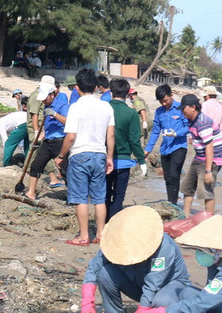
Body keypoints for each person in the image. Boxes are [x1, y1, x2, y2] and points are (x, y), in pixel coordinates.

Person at [79, 205, 191, 313]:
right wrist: (87, 303)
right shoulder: (116, 241)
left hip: (168, 288)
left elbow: (153, 283)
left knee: (161, 301)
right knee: (104, 272)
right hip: (138, 284)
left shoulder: (164, 247)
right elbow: (93, 268)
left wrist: (142, 310)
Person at [54, 68, 114, 245]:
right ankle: (101, 234)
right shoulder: (106, 106)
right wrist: (109, 157)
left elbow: (70, 136)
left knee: (80, 197)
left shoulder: (76, 107)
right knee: (99, 197)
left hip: (80, 153)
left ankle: (84, 236)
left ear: (77, 88)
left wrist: (61, 156)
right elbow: (110, 135)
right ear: (96, 86)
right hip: (100, 153)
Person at [105, 78, 147, 220]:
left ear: (111, 92)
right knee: (118, 195)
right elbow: (134, 141)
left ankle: (102, 224)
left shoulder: (104, 109)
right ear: (127, 94)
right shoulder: (131, 114)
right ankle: (112, 224)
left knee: (104, 194)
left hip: (103, 160)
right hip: (123, 161)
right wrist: (141, 160)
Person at [179, 94, 222, 218]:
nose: (182, 111)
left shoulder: (202, 122)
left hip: (212, 159)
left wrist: (208, 171)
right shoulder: (191, 120)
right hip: (199, 156)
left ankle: (209, 220)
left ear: (193, 107)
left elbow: (210, 147)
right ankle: (186, 216)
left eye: (184, 108)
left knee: (206, 191)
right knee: (186, 187)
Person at [23, 80, 69, 199]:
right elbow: (48, 126)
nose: (43, 100)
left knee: (65, 170)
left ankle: (73, 196)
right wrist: (39, 137)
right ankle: (31, 193)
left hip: (60, 141)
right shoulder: (46, 106)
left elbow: (68, 122)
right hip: (47, 141)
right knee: (36, 165)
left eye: (45, 98)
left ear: (52, 95)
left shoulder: (62, 105)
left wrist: (54, 114)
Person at [144, 84, 185, 205]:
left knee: (174, 175)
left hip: (179, 147)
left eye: (165, 100)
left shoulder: (181, 108)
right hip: (165, 149)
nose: (164, 104)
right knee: (167, 178)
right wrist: (148, 149)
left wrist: (176, 133)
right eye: (161, 101)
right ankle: (171, 201)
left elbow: (188, 127)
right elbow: (156, 132)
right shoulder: (159, 111)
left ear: (171, 96)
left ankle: (174, 204)